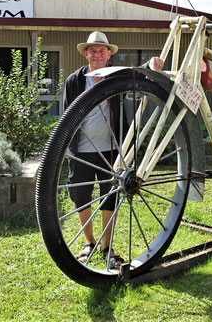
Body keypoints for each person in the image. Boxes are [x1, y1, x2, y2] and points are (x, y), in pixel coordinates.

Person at [64, 31, 163, 269]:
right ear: (85, 54)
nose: (97, 54)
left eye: (101, 50)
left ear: (108, 54)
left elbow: (137, 74)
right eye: (92, 50)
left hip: (111, 150)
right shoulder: (75, 81)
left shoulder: (116, 76)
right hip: (82, 149)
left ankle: (107, 246)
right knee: (81, 196)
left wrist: (150, 65)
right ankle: (89, 242)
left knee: (111, 195)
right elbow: (68, 115)